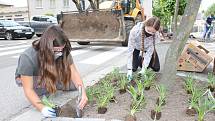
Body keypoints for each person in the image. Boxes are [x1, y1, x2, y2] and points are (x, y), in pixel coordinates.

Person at [15, 25, 88, 118]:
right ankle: (46, 83)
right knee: (43, 93)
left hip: (51, 68)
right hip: (34, 76)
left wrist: (83, 93)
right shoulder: (27, 57)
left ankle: (52, 80)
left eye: (61, 49)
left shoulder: (63, 50)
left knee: (73, 86)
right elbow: (28, 89)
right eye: (56, 50)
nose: (60, 52)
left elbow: (73, 72)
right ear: (47, 48)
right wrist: (42, 108)